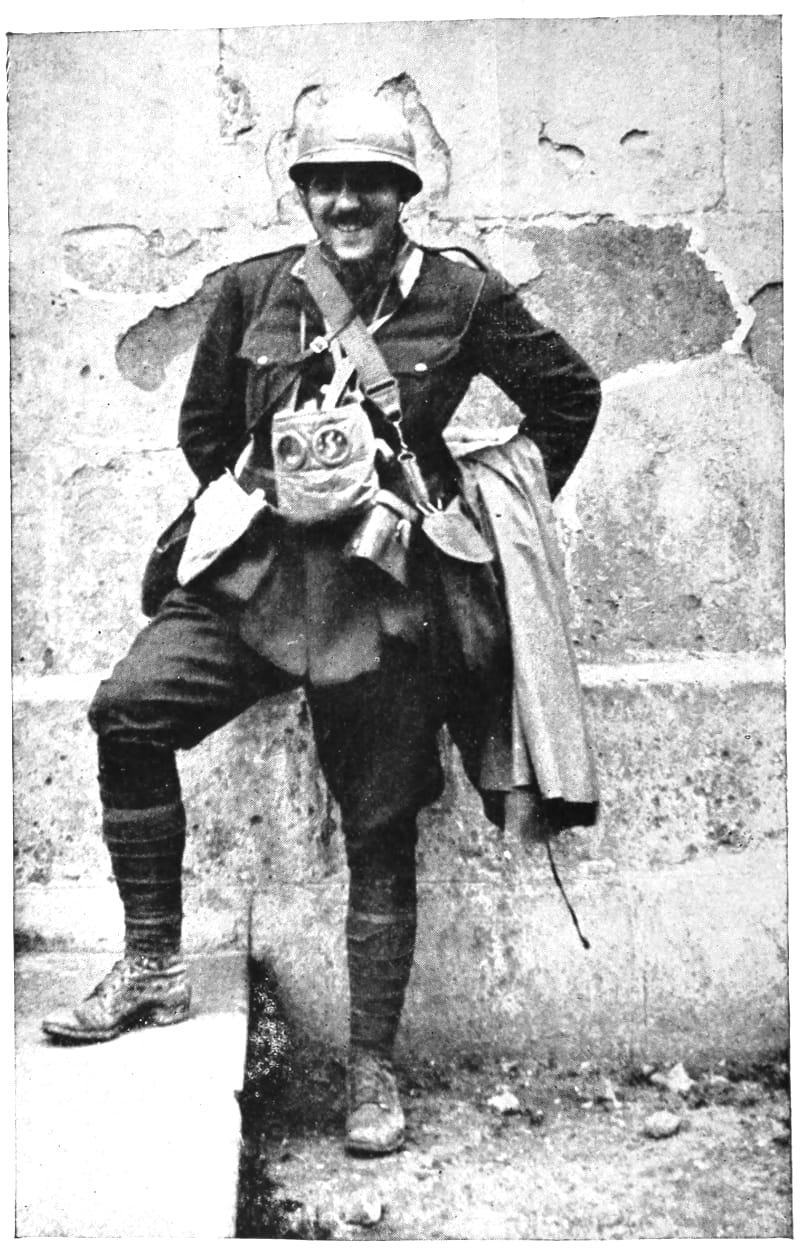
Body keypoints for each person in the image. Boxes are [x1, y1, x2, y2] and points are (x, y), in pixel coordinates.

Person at [42, 91, 602, 1156]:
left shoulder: (461, 296)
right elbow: (204, 428)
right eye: (324, 181)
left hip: (383, 597)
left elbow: (566, 396)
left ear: (404, 193)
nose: (345, 200)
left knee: (379, 824)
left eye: (369, 182)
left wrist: (482, 498)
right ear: (301, 192)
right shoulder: (257, 287)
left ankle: (370, 1065)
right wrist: (277, 492)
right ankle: (155, 965)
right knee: (127, 708)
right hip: (255, 586)